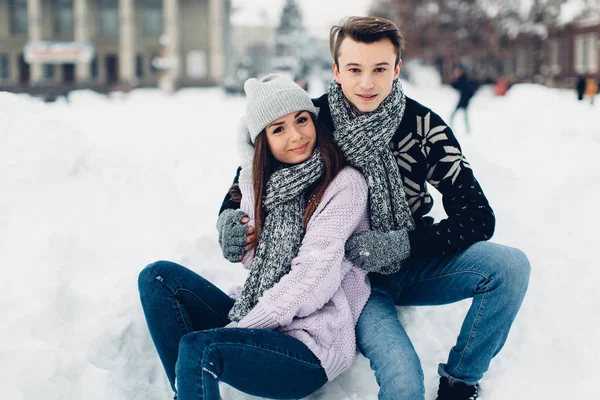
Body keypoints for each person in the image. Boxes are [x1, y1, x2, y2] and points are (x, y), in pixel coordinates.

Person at [218, 16, 531, 400]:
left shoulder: (424, 127)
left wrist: (405, 245)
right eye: (354, 69)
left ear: (396, 68)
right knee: (402, 382)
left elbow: (478, 217)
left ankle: (460, 379)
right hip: (349, 278)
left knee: (511, 267)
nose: (366, 83)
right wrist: (227, 219)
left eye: (380, 69)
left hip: (415, 262)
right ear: (336, 70)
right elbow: (252, 171)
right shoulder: (313, 122)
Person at [138, 74, 386, 399]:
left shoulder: (344, 184)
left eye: (301, 120)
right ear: (262, 141)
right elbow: (254, 261)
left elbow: (313, 281)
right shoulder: (262, 183)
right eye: (278, 129)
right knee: (157, 278)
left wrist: (241, 328)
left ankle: (193, 381)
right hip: (261, 311)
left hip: (308, 346)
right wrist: (248, 181)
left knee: (200, 347)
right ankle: (188, 389)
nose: (296, 136)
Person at [450, 65, 478, 133]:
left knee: (460, 115)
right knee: (459, 115)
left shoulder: (465, 79)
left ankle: (466, 128)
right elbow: (456, 86)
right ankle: (465, 128)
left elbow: (469, 89)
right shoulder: (461, 79)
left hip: (464, 100)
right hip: (463, 99)